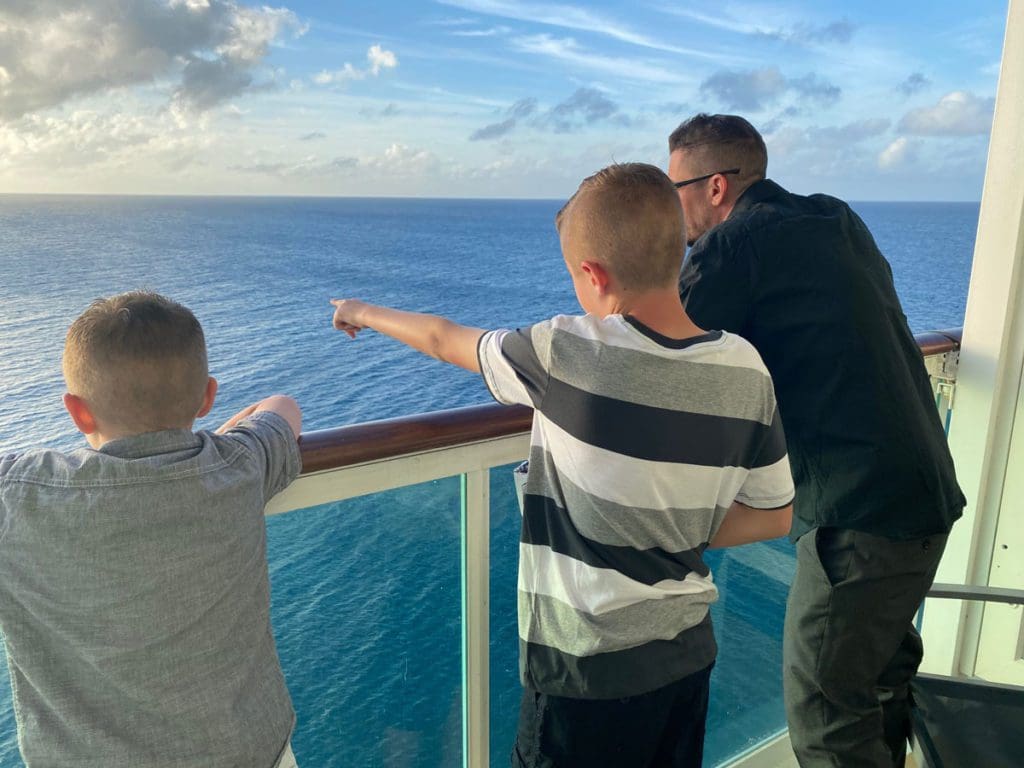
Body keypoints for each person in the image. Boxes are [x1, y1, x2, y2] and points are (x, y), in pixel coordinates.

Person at [330, 162, 795, 768]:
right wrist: (673, 520)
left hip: (583, 673)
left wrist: (361, 310)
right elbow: (774, 515)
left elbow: (445, 339)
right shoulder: (745, 370)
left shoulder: (566, 351)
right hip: (684, 660)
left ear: (593, 275)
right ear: (679, 247)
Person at [667, 114, 966, 767]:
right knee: (879, 689)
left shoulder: (732, 247)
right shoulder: (836, 219)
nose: (671, 210)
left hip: (858, 520)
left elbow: (657, 356)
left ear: (716, 186)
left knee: (826, 719)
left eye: (675, 190)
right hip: (926, 496)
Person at [0, 291, 303, 768]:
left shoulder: (19, 495)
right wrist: (214, 445)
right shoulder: (239, 467)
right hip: (250, 753)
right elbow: (281, 409)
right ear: (207, 397)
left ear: (76, 410)